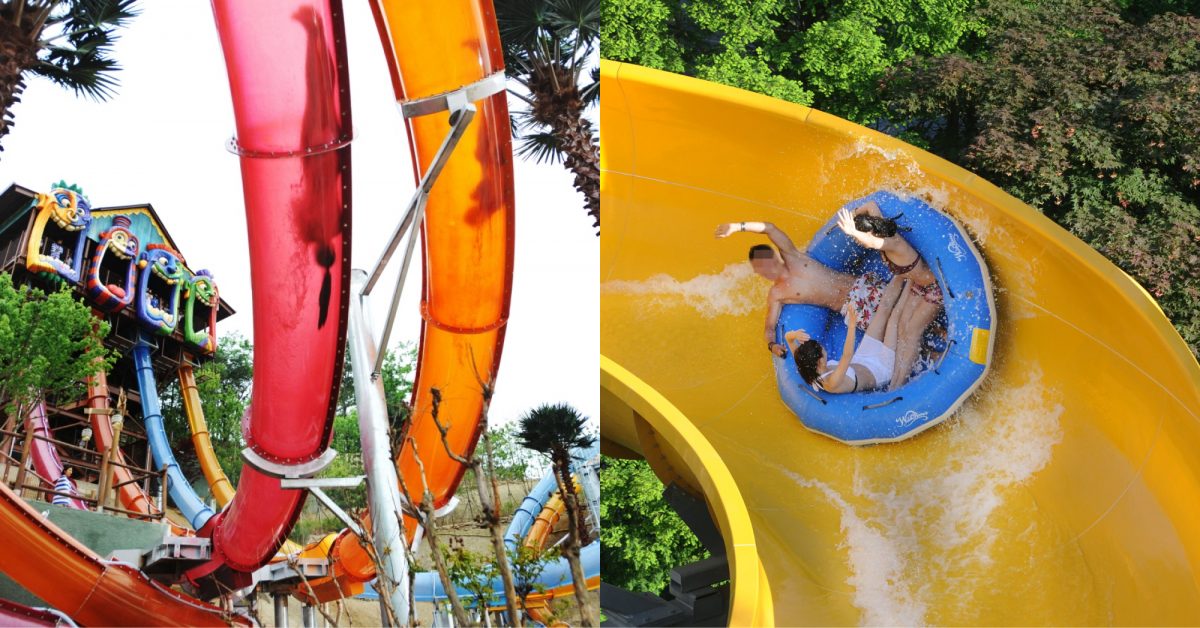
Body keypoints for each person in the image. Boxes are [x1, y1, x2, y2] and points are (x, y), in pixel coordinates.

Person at [716, 221, 871, 357]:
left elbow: (770, 228)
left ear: (774, 256)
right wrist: (772, 345)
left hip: (864, 285)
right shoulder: (777, 294)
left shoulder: (793, 257)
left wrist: (737, 227)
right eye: (761, 268)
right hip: (853, 309)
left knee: (893, 299)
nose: (766, 270)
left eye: (766, 263)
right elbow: (769, 328)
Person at [836, 202, 944, 388]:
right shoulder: (880, 225)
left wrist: (852, 231)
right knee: (901, 326)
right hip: (917, 285)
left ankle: (898, 384)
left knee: (911, 332)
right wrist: (853, 214)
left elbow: (872, 242)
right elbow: (871, 205)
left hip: (934, 288)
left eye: (860, 239)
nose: (859, 243)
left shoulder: (890, 241)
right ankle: (899, 374)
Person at [785, 278, 909, 393]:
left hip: (863, 357)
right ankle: (911, 283)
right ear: (820, 361)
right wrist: (852, 325)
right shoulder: (832, 382)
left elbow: (788, 339)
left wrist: (793, 335)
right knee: (894, 318)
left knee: (883, 308)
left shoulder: (809, 367)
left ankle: (903, 271)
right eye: (822, 349)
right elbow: (847, 355)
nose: (823, 348)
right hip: (881, 370)